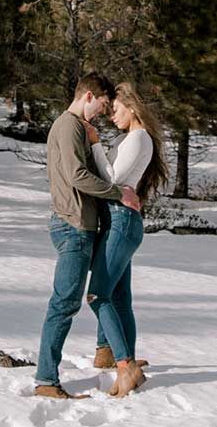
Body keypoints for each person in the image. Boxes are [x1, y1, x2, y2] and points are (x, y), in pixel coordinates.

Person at [30, 72, 138, 400]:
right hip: (74, 226)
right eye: (103, 105)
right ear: (89, 96)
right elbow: (78, 176)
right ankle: (46, 380)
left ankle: (108, 352)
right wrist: (118, 192)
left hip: (81, 226)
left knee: (110, 289)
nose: (104, 113)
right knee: (64, 304)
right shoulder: (69, 125)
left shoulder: (76, 127)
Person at [88, 80, 169, 397]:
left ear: (132, 107)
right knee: (120, 298)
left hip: (121, 222)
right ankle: (119, 355)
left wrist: (94, 145)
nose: (112, 117)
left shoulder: (137, 137)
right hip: (119, 221)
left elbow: (113, 179)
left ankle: (125, 366)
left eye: (117, 110)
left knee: (97, 296)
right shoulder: (130, 138)